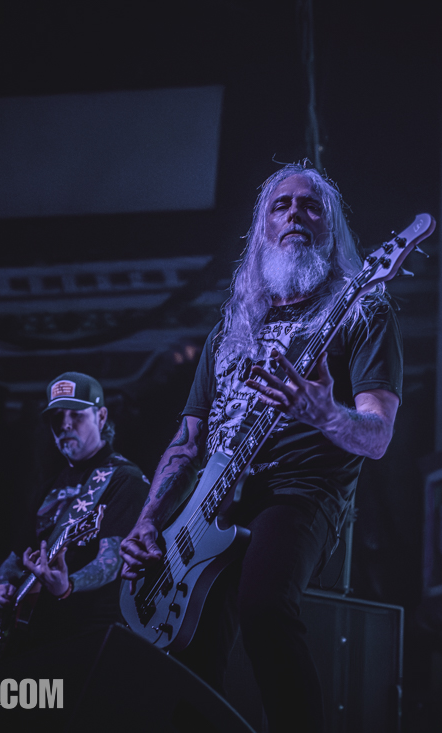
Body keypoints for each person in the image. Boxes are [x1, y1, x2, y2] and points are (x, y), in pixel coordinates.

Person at [120, 163, 403, 731]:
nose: (295, 213)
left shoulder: (361, 310)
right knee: (190, 647)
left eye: (310, 205)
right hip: (212, 499)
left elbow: (377, 436)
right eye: (281, 205)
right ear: (261, 230)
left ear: (331, 227)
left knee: (264, 608)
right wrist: (147, 520)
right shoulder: (231, 329)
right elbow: (188, 438)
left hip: (301, 490)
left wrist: (323, 411)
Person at [0, 371, 148, 653]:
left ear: (101, 417)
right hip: (36, 634)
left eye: (76, 414)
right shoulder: (50, 486)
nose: (65, 424)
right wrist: (3, 586)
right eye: (56, 417)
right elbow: (14, 560)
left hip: (87, 636)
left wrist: (68, 585)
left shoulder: (125, 480)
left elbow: (111, 561)